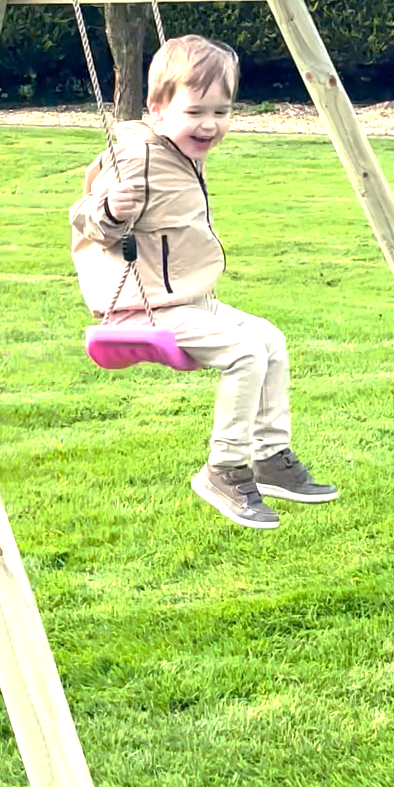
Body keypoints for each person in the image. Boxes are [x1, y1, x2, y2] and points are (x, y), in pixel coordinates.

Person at [70, 34, 337, 531]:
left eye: (222, 110)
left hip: (192, 298)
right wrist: (108, 210)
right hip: (145, 306)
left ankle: (270, 457)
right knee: (244, 352)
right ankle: (224, 467)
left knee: (271, 341)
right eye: (196, 112)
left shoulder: (183, 149)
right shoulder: (136, 156)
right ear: (157, 109)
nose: (210, 124)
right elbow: (86, 217)